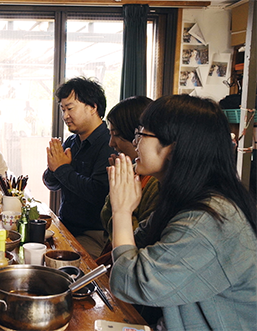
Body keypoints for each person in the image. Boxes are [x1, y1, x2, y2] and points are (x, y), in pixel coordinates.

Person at [108, 95, 257, 330]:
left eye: (142, 134)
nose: (135, 142)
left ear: (174, 146)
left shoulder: (208, 220)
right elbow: (136, 244)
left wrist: (122, 211)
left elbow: (131, 283)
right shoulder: (187, 199)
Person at [42, 77, 115, 258]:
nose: (65, 116)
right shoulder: (72, 142)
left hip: (93, 234)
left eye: (70, 108)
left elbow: (98, 193)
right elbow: (52, 184)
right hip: (66, 226)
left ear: (92, 107)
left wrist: (61, 169)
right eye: (63, 109)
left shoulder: (108, 143)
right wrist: (53, 170)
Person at [100, 96, 158, 240]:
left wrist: (123, 207)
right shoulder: (134, 170)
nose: (111, 143)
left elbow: (137, 241)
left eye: (117, 135)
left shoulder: (157, 183)